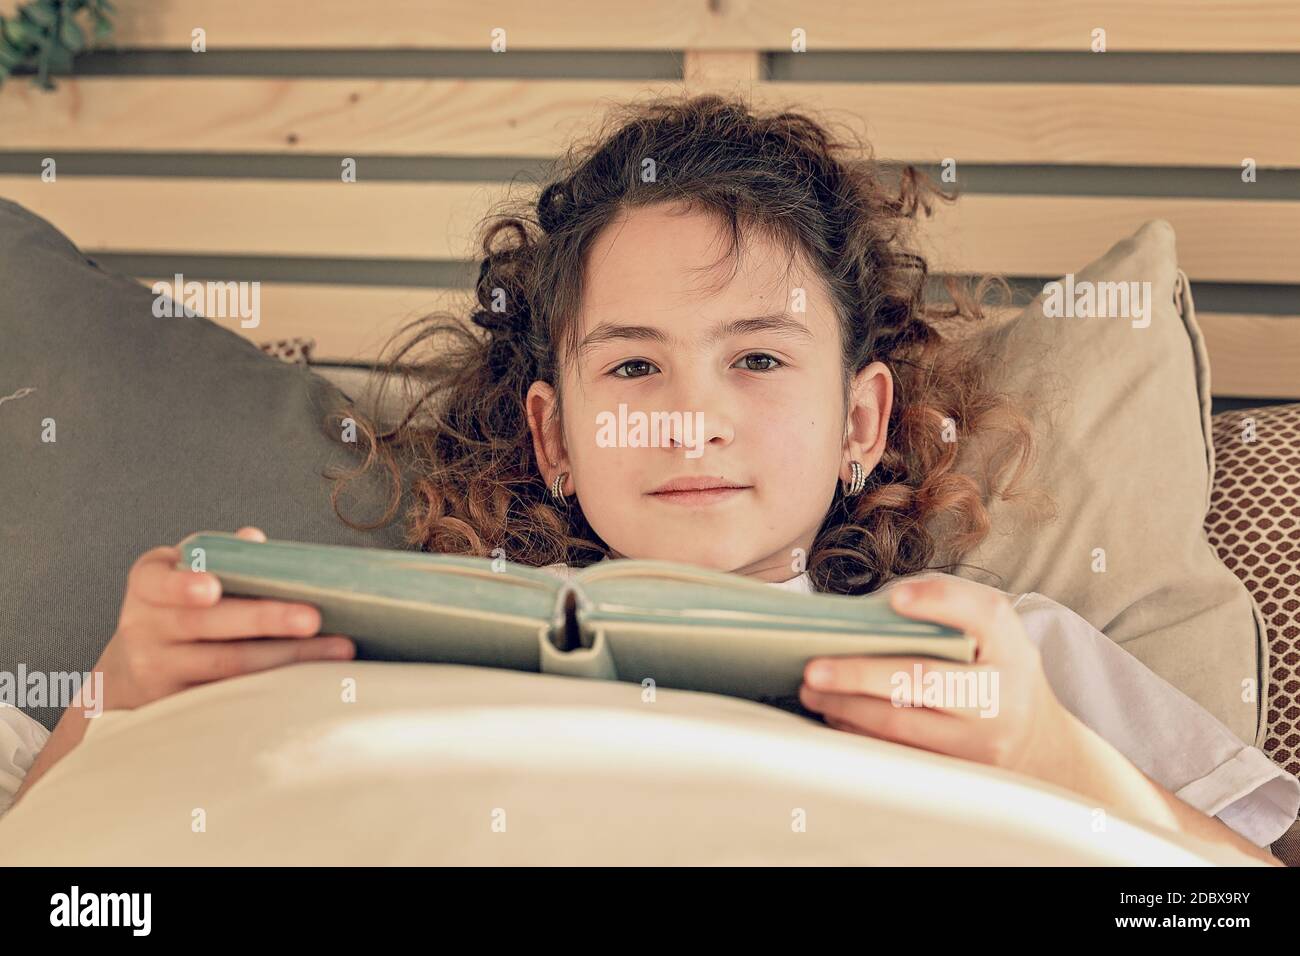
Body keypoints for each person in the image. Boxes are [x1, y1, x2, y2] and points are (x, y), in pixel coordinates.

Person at [8, 94, 1296, 865]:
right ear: (555, 438)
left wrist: (1050, 750)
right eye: (631, 369)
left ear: (860, 423)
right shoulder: (406, 648)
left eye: (756, 358)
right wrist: (120, 697)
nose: (693, 420)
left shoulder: (1009, 658)